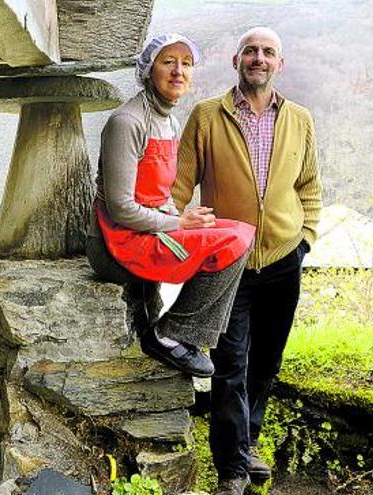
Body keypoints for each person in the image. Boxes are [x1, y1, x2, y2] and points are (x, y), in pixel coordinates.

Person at [172, 27, 322, 495]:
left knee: (266, 361)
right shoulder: (206, 116)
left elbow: (310, 187)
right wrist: (172, 229)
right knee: (230, 361)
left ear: (281, 63)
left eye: (268, 52)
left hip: (283, 258)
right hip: (226, 261)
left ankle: (249, 441)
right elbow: (179, 186)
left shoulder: (300, 119)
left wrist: (306, 240)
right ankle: (232, 470)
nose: (259, 59)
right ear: (237, 59)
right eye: (251, 51)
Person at [86, 33, 255, 379]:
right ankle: (169, 334)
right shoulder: (127, 123)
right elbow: (120, 209)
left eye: (186, 63)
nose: (179, 71)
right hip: (116, 241)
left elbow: (160, 194)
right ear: (149, 69)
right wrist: (179, 224)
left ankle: (187, 334)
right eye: (168, 62)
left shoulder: (171, 121)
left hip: (150, 228)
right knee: (231, 242)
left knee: (241, 232)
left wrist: (181, 218)